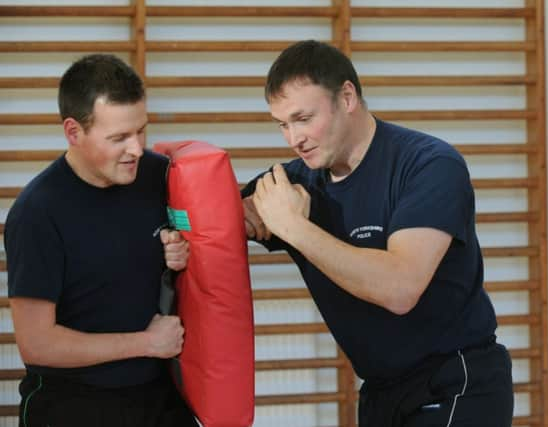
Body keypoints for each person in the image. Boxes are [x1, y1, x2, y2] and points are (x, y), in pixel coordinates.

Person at [242, 40, 514, 427]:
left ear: (347, 97)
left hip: (454, 383)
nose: (293, 138)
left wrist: (294, 228)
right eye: (283, 125)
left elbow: (400, 287)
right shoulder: (296, 184)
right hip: (380, 392)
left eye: (303, 119)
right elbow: (221, 219)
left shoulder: (429, 166)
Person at [4, 54, 197, 427]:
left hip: (156, 394)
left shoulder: (156, 174)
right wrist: (145, 343)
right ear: (73, 132)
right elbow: (37, 343)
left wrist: (180, 252)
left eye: (141, 130)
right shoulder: (37, 212)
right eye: (119, 138)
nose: (137, 148)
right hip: (72, 404)